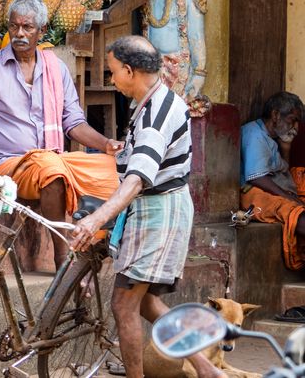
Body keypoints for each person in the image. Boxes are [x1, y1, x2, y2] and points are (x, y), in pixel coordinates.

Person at [72, 35, 220, 378]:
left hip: (160, 212)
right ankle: (209, 370)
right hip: (155, 209)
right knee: (145, 301)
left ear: (129, 70)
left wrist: (97, 218)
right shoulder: (154, 100)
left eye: (112, 72)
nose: (111, 80)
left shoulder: (155, 115)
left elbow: (138, 179)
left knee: (123, 304)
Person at [0, 0, 121, 265]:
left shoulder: (56, 69)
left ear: (41, 31)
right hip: (8, 167)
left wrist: (106, 145)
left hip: (50, 160)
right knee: (50, 167)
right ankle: (62, 256)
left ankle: (94, 253)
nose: (19, 33)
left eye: (27, 28)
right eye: (13, 27)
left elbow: (74, 122)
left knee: (115, 170)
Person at [240, 92, 305, 271]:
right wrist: (290, 198)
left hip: (272, 188)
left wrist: (286, 147)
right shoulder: (254, 135)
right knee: (296, 214)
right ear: (276, 115)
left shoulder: (272, 139)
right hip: (253, 191)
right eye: (293, 120)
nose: (295, 127)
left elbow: (283, 170)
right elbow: (257, 177)